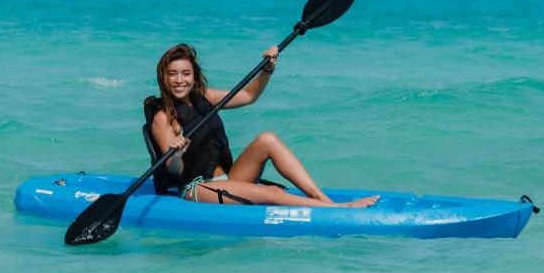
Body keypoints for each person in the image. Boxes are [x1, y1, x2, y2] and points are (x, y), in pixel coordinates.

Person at [144, 43, 379, 208]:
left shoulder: (204, 96)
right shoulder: (163, 118)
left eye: (185, 73)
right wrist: (177, 154)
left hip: (229, 177)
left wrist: (267, 68)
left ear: (194, 77)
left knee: (267, 139)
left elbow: (248, 96)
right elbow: (174, 170)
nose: (179, 80)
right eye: (172, 74)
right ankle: (341, 209)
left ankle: (323, 200)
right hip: (197, 188)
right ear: (163, 77)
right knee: (272, 194)